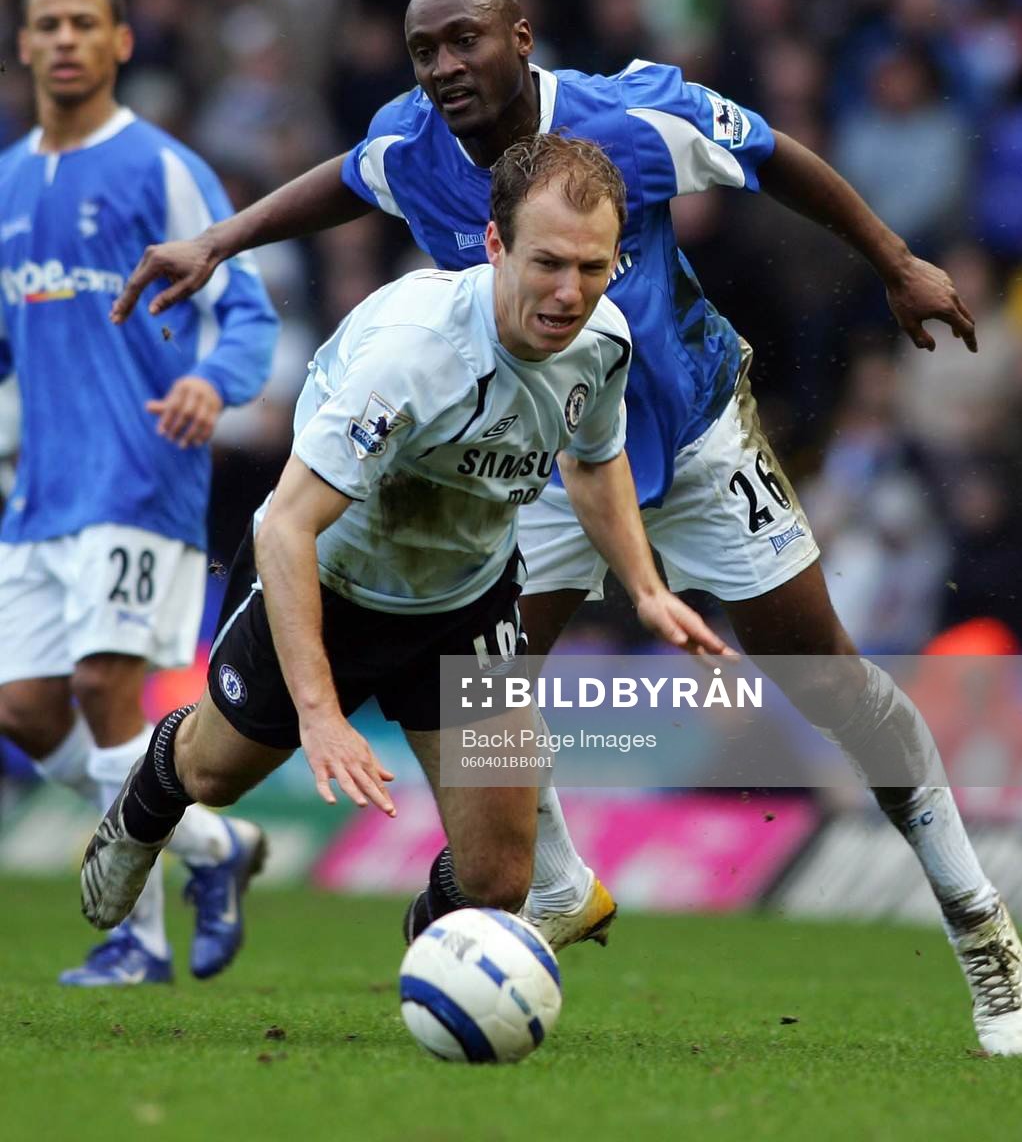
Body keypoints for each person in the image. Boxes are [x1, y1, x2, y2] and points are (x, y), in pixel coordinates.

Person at [110, 0, 1022, 1055]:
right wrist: (219, 241)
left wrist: (892, 261)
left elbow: (772, 155)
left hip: (693, 438)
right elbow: (346, 178)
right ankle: (541, 886)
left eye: (466, 41)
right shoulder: (412, 143)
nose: (446, 67)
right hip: (547, 461)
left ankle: (978, 921)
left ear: (520, 36)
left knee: (825, 678)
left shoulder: (628, 116)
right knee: (488, 681)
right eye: (425, 51)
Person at [79, 133, 730, 945]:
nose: (570, 293)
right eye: (549, 264)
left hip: (466, 602)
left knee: (500, 880)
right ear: (496, 245)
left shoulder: (601, 344)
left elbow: (593, 462)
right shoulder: (417, 356)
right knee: (214, 776)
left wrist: (646, 588)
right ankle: (142, 817)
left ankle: (438, 966)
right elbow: (286, 526)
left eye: (593, 269)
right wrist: (320, 714)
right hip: (331, 582)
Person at [0, 0, 279, 986]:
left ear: (120, 42)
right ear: (25, 45)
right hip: (39, 495)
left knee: (103, 691)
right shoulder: (6, 182)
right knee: (25, 710)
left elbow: (246, 305)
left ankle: (138, 939)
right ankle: (217, 846)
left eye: (85, 22)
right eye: (47, 24)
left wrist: (212, 379)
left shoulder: (160, 167)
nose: (65, 38)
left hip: (140, 475)